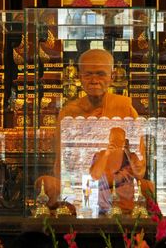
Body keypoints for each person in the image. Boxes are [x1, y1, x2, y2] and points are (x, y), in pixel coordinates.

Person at [54, 48, 139, 177]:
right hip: (80, 184)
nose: (94, 81)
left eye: (101, 74)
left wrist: (112, 180)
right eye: (88, 74)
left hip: (117, 187)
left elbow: (139, 166)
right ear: (79, 77)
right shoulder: (68, 113)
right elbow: (61, 165)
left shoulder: (126, 110)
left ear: (112, 76)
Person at [90, 127, 145, 213]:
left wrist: (128, 153)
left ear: (124, 141)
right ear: (109, 139)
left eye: (119, 140)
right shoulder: (100, 155)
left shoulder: (130, 157)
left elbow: (140, 174)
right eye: (114, 139)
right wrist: (106, 154)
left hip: (126, 209)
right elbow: (95, 176)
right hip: (105, 209)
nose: (116, 142)